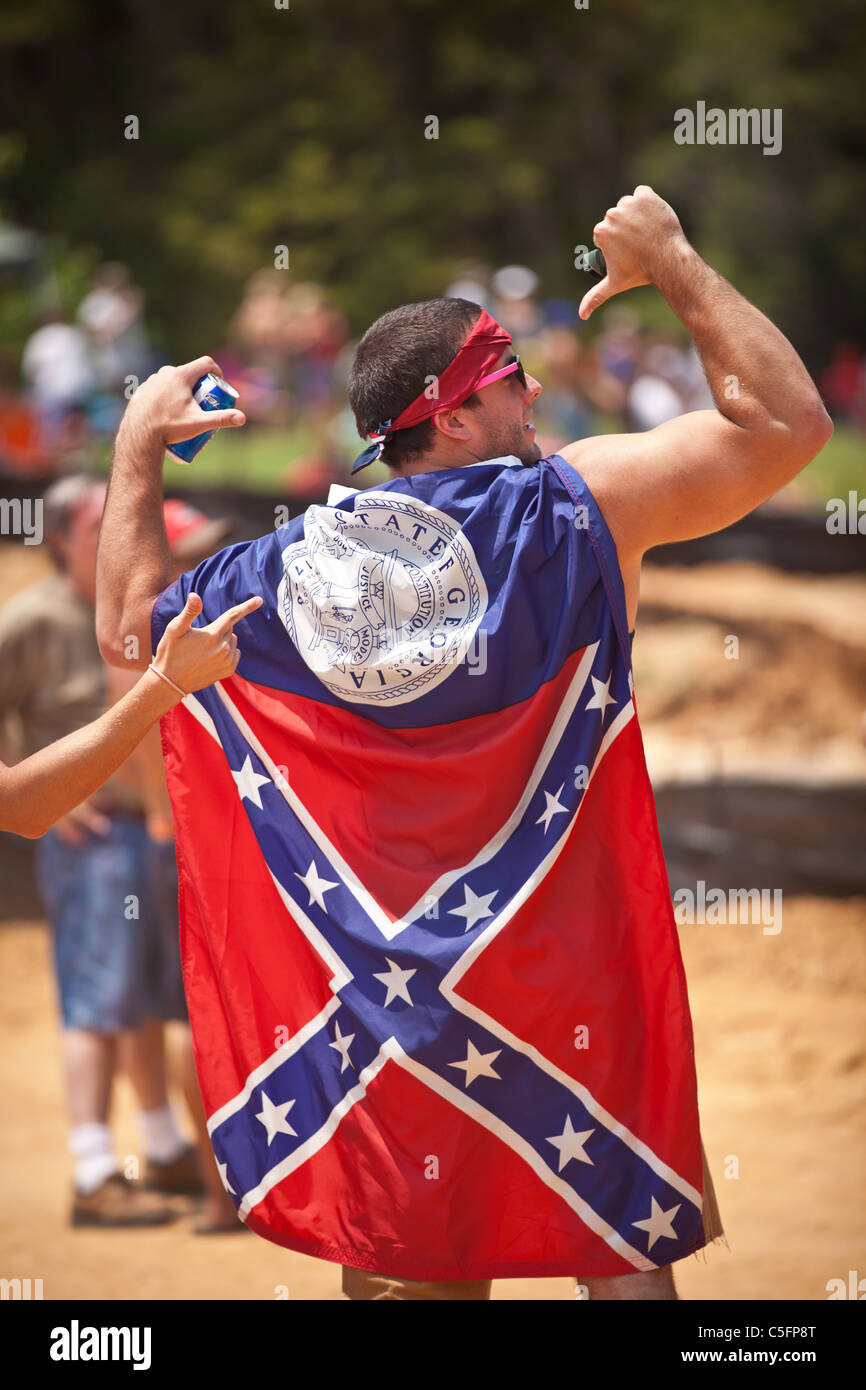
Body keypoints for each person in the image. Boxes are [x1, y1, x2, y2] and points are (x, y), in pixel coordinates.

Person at [94, 187, 832, 1298]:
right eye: (506, 380)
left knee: (410, 1267)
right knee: (619, 1253)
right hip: (568, 981)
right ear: (448, 417)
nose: (533, 391)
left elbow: (127, 628)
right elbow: (786, 428)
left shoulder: (287, 571)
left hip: (393, 1003)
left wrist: (138, 445)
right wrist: (672, 261)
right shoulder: (575, 508)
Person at [0, 473, 260, 1226]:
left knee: (146, 1002)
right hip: (104, 833)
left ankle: (161, 1147)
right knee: (105, 1002)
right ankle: (94, 1172)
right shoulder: (44, 619)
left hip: (145, 828)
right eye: (99, 529)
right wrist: (42, 789)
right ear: (62, 542)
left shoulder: (129, 619)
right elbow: (129, 725)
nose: (118, 542)